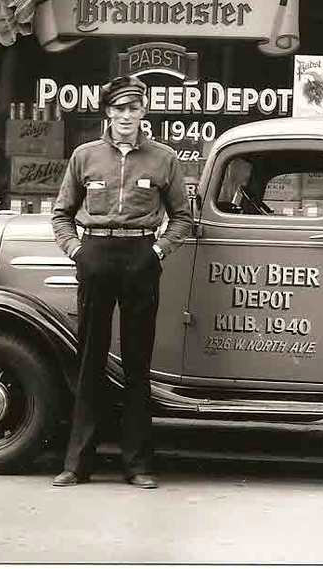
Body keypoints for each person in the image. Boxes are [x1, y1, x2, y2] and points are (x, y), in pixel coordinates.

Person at [50, 75, 193, 489]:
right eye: (118, 108)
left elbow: (182, 216)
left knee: (137, 363)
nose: (126, 115)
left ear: (143, 112)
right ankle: (76, 464)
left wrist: (158, 251)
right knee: (90, 360)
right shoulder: (84, 156)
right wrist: (77, 251)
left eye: (133, 108)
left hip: (141, 258)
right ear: (108, 112)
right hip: (95, 255)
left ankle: (138, 464)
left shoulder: (164, 158)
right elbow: (62, 213)